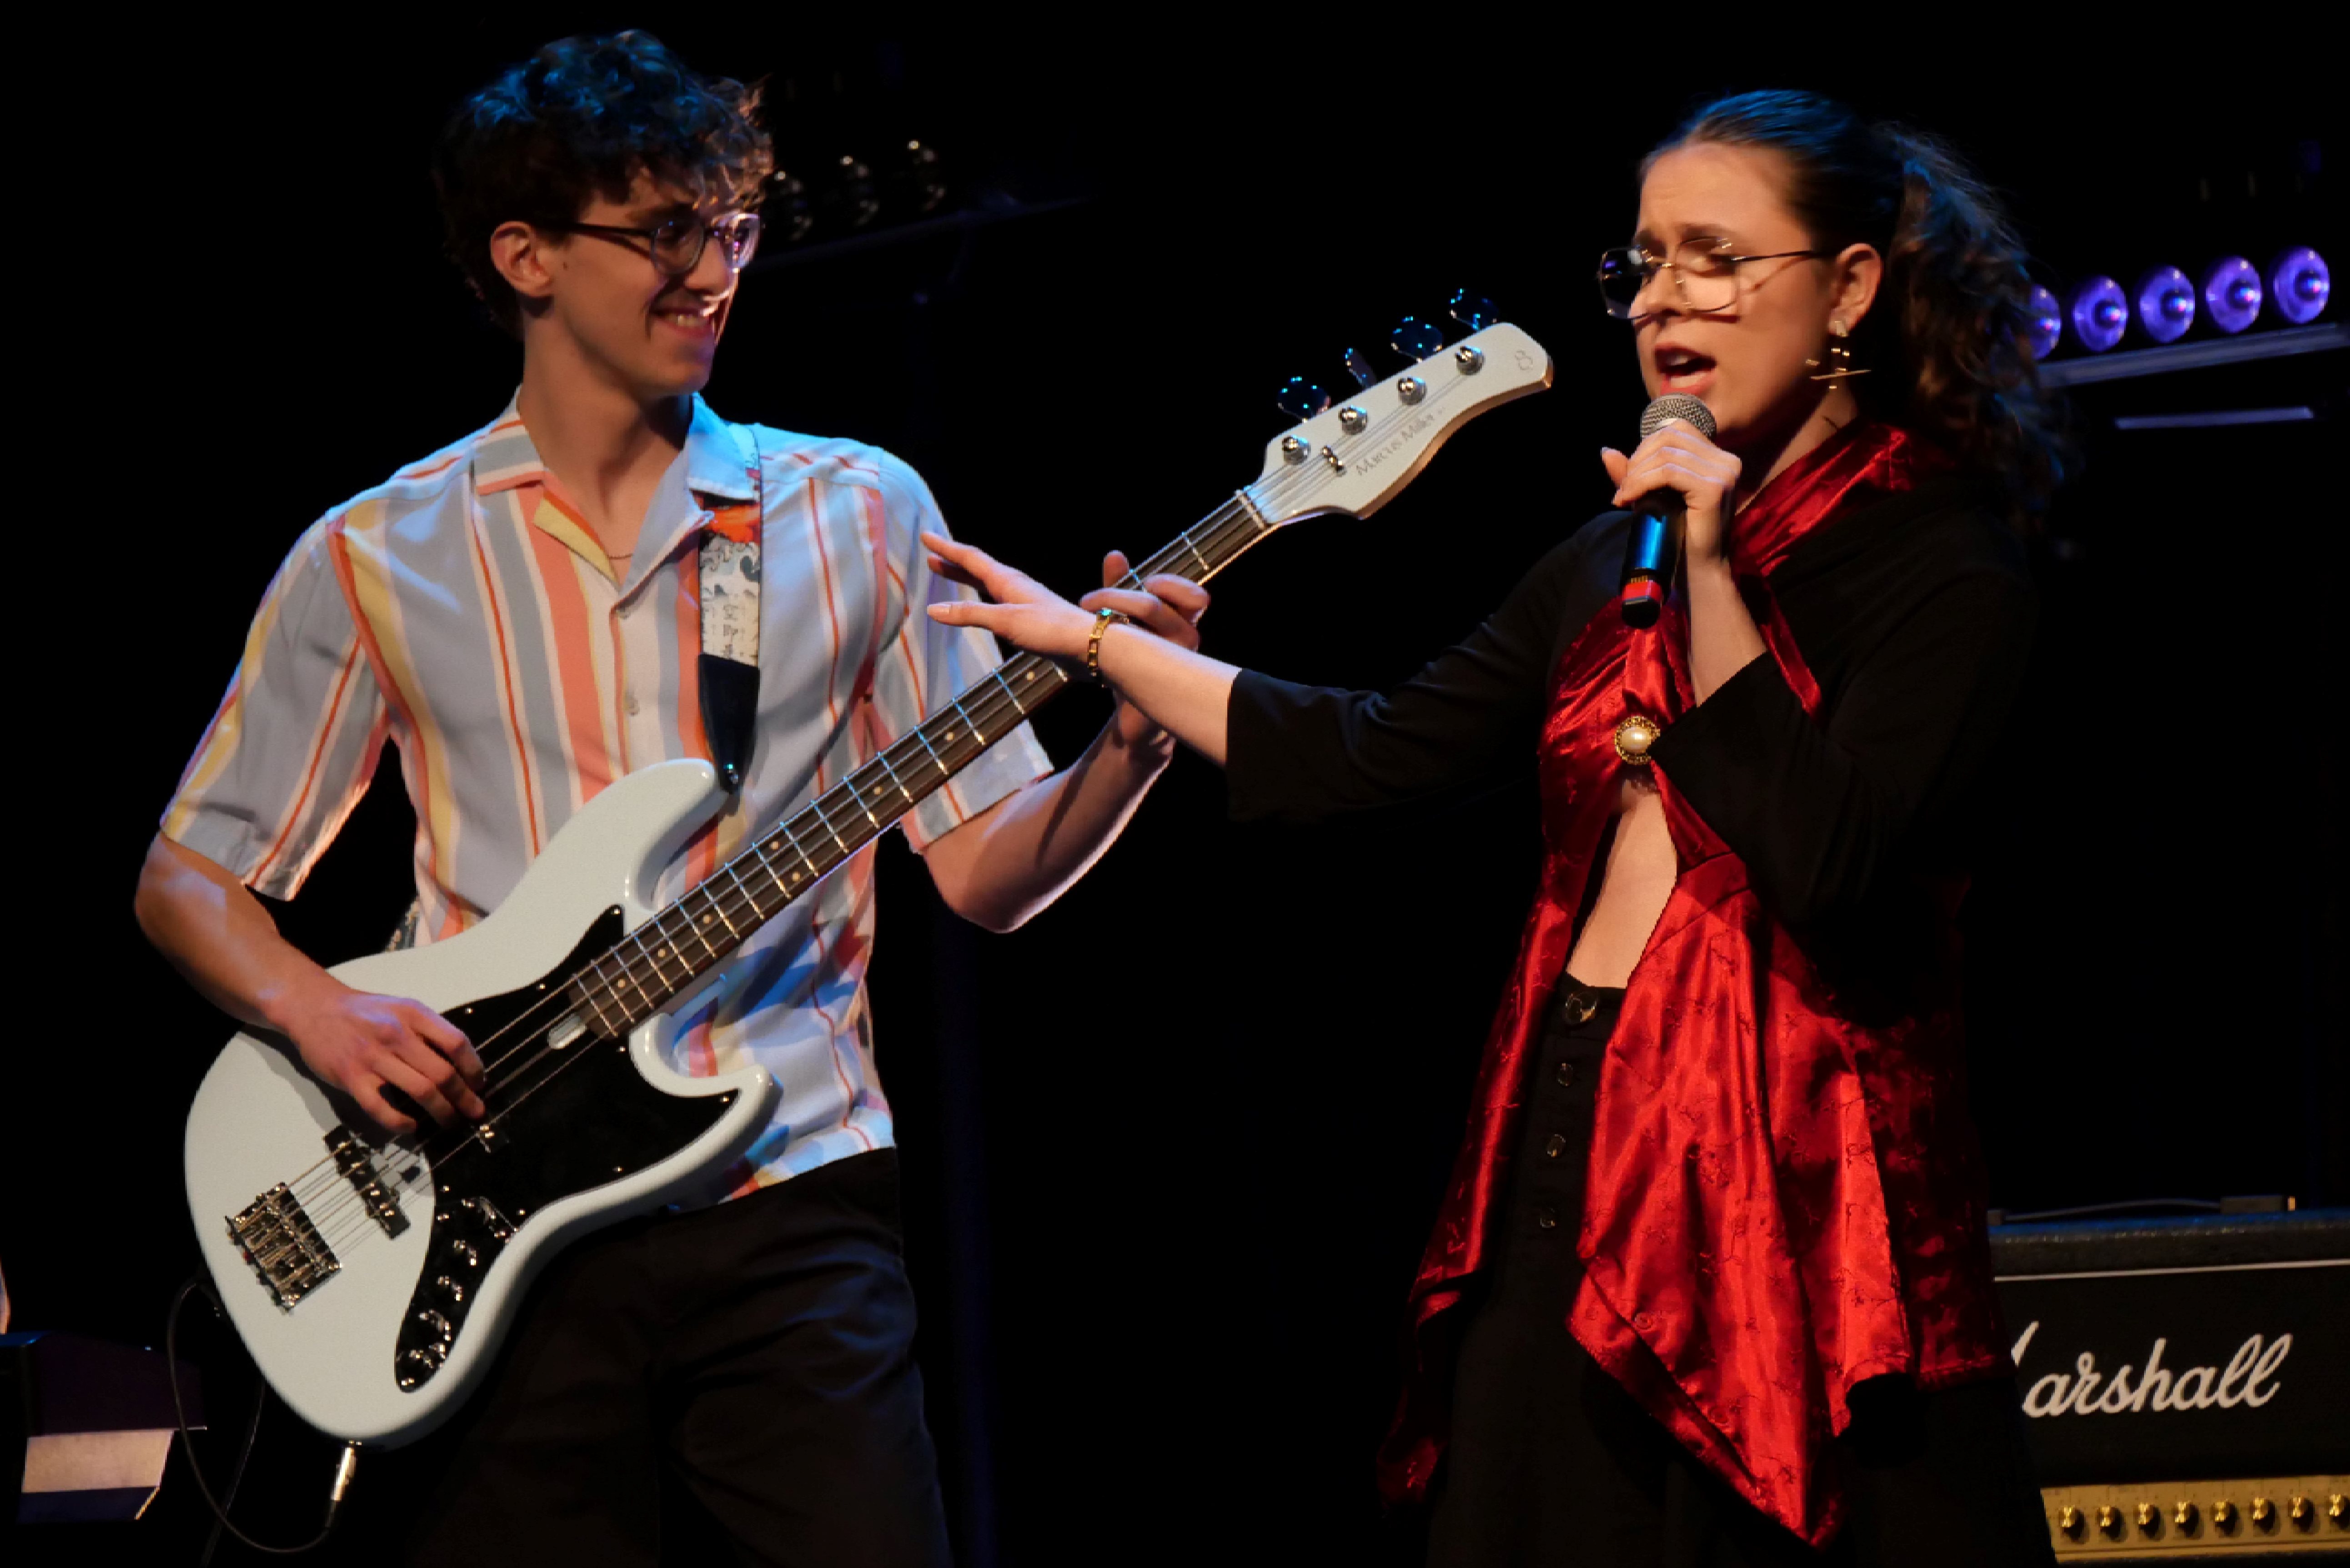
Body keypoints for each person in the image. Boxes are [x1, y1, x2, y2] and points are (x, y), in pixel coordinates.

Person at [924, 90, 2064, 1565]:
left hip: (1806, 1202)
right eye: (1644, 265)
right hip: (1574, 1137)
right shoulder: (1607, 557)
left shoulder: (1942, 563)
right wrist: (1106, 651)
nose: (1664, 302)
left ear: (1848, 287)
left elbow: (1826, 858)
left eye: (1715, 260)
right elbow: (1371, 751)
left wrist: (1708, 564)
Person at [134, 32, 1204, 1567]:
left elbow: (982, 876)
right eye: (667, 234)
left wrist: (1134, 737)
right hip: (487, 1214)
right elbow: (184, 879)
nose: (717, 272)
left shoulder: (858, 508)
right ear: (528, 257)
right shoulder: (375, 553)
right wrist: (319, 1014)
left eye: (738, 228)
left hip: (797, 1201)